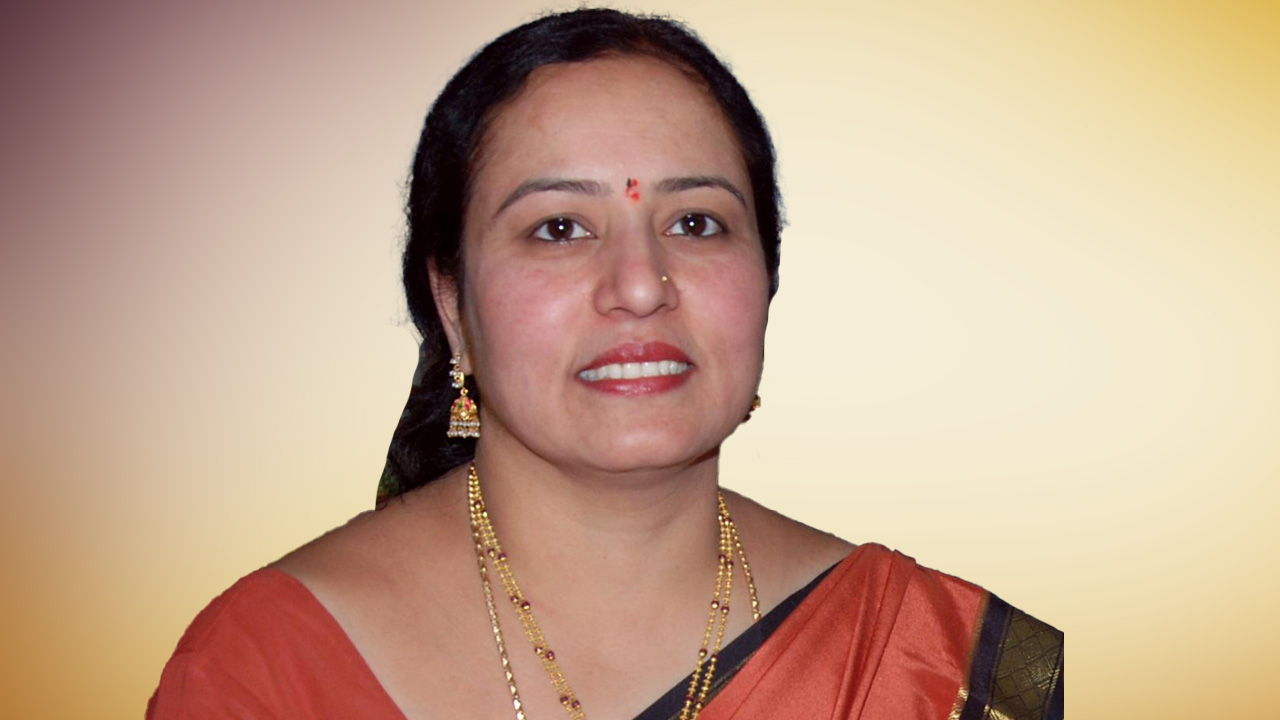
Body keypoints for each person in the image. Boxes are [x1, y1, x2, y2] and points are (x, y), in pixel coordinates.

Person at [149, 9, 1063, 719]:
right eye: (559, 228)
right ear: (452, 304)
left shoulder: (941, 663)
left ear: (767, 279)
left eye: (695, 222)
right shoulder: (269, 671)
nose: (638, 286)